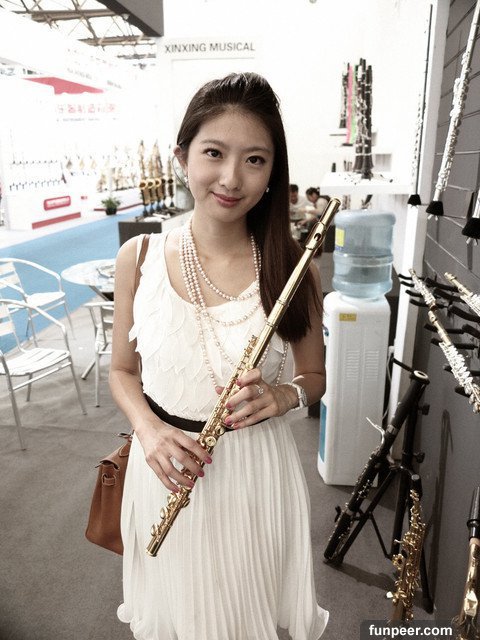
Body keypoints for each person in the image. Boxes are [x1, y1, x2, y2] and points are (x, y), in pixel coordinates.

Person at [110, 72, 329, 640]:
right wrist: (148, 431)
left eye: (255, 160)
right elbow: (122, 371)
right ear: (182, 156)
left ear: (273, 172)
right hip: (164, 468)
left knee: (243, 615)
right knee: (177, 614)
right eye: (214, 153)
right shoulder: (139, 256)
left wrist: (286, 395)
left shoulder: (294, 269)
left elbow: (315, 376)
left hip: (255, 474)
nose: (232, 178)